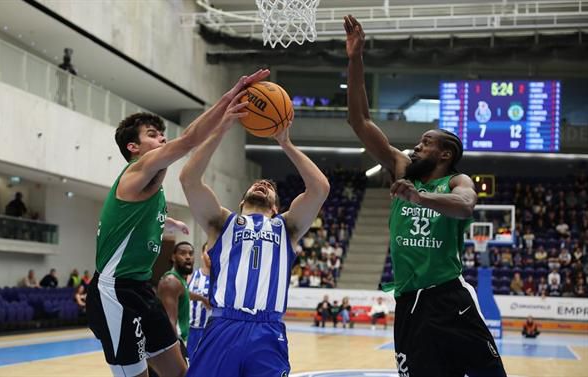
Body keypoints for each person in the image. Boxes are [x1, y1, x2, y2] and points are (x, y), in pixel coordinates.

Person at [343, 14, 505, 377]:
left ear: (445, 155)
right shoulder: (401, 167)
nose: (416, 147)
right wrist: (355, 60)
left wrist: (420, 199)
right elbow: (360, 121)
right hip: (409, 306)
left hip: (450, 299)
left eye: (426, 143)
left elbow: (465, 207)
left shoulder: (457, 181)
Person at [86, 68, 269, 377]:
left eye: (162, 134)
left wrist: (167, 223)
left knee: (179, 372)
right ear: (134, 147)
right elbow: (187, 141)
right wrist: (229, 102)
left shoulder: (150, 188)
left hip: (142, 289)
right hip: (114, 293)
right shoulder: (136, 171)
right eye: (153, 135)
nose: (162, 139)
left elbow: (135, 221)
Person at [180, 97, 329, 376]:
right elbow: (189, 178)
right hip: (224, 324)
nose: (263, 184)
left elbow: (319, 189)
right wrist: (222, 129)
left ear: (275, 207)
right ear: (241, 202)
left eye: (270, 187)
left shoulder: (287, 227)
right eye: (258, 183)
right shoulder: (222, 222)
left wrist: (285, 143)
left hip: (268, 330)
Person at [158, 242, 194, 346]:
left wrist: (202, 299)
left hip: (182, 339)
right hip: (176, 341)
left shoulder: (179, 280)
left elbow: (185, 294)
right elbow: (170, 322)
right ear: (173, 257)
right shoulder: (171, 281)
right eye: (183, 253)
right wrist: (178, 348)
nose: (188, 257)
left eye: (191, 254)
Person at [186, 243, 211, 361]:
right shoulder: (192, 276)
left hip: (210, 332)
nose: (210, 254)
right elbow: (182, 293)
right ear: (202, 255)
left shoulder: (222, 278)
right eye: (207, 251)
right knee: (191, 366)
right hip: (192, 330)